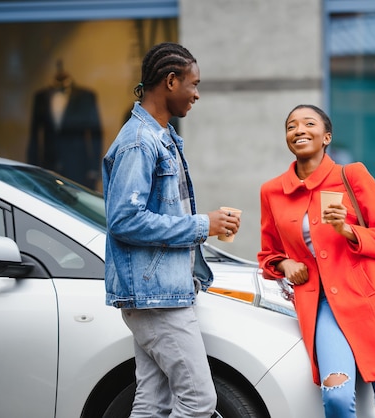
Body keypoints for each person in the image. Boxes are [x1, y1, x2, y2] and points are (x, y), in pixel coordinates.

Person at [257, 104, 375, 417]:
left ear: (327, 136)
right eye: (291, 126)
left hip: (372, 300)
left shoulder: (353, 176)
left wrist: (348, 230)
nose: (299, 130)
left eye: (309, 123)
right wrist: (284, 265)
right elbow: (268, 253)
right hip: (320, 305)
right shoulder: (272, 192)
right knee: (336, 397)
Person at [102, 42, 240, 418]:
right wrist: (203, 224)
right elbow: (124, 220)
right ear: (171, 80)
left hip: (160, 292)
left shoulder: (161, 137)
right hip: (155, 296)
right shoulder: (139, 142)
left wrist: (207, 225)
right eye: (193, 84)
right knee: (198, 401)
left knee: (154, 401)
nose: (196, 94)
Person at [27, 60, 102, 189]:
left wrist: (94, 168)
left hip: (79, 166)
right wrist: (33, 166)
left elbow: (95, 133)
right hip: (49, 165)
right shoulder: (41, 96)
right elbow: (34, 135)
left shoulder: (86, 96)